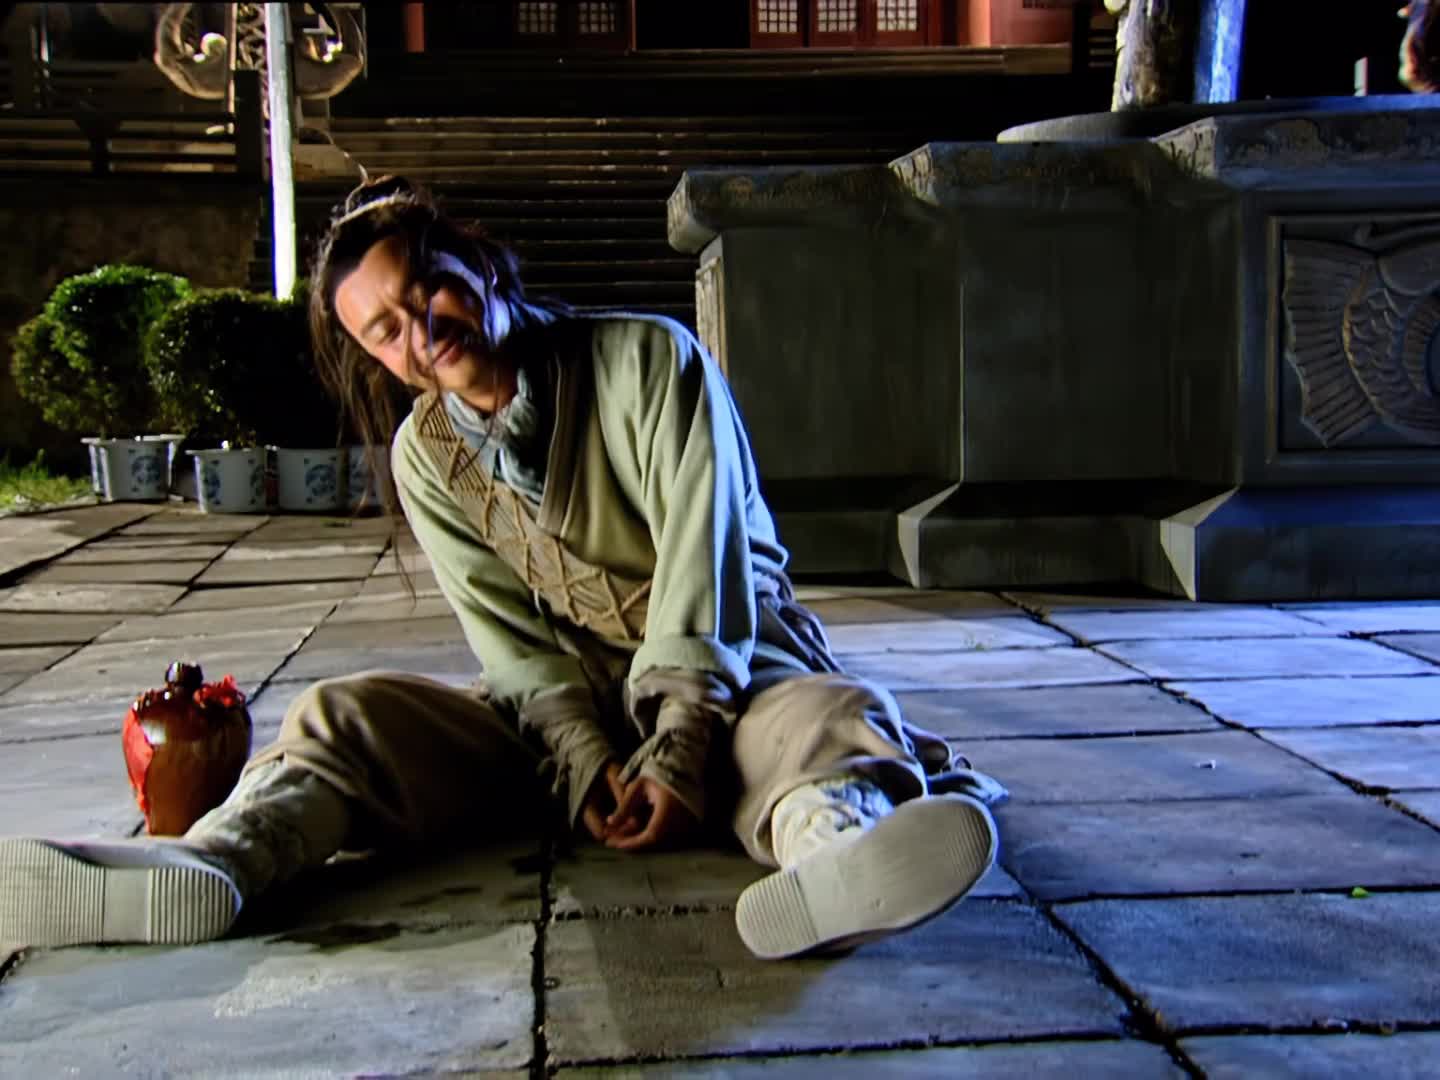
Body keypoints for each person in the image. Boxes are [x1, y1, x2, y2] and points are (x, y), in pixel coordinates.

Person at [0, 176, 1004, 960]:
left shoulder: (647, 362)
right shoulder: (422, 456)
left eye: (426, 289)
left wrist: (679, 747)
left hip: (730, 675)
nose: (422, 332)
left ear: (477, 264)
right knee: (344, 716)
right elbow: (511, 643)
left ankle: (834, 857)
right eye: (384, 331)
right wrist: (587, 763)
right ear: (374, 358)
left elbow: (706, 562)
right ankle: (220, 859)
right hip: (581, 705)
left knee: (830, 720)